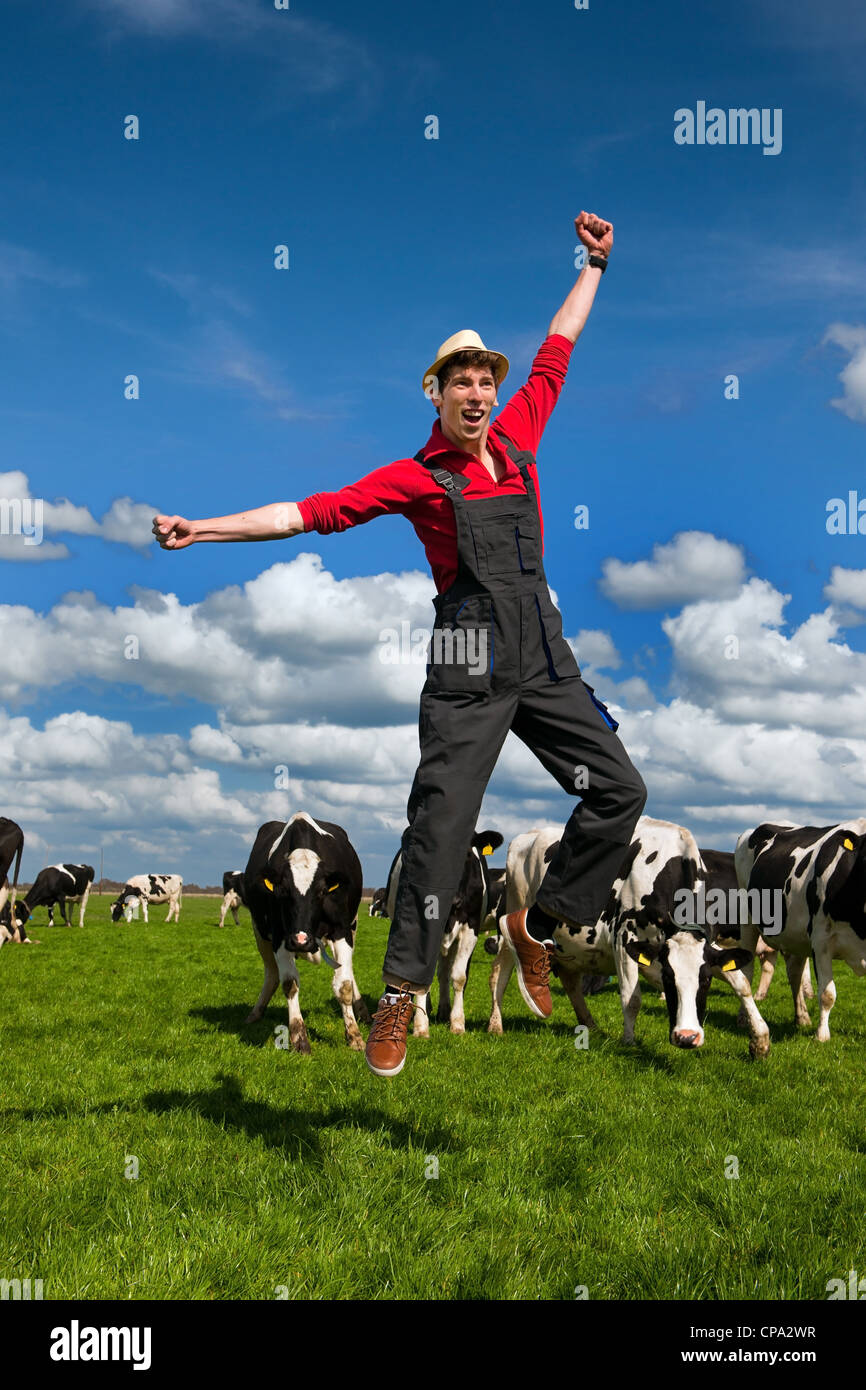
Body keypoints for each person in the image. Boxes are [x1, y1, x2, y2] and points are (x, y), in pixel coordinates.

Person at [153, 210, 647, 1079]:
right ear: (437, 394)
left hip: (541, 650)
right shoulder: (415, 477)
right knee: (441, 829)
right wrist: (206, 531)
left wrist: (595, 267)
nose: (476, 391)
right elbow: (311, 512)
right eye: (459, 381)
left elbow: (558, 345)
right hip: (465, 660)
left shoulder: (524, 435)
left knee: (619, 789)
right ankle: (399, 997)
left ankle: (540, 917)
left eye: (484, 379)